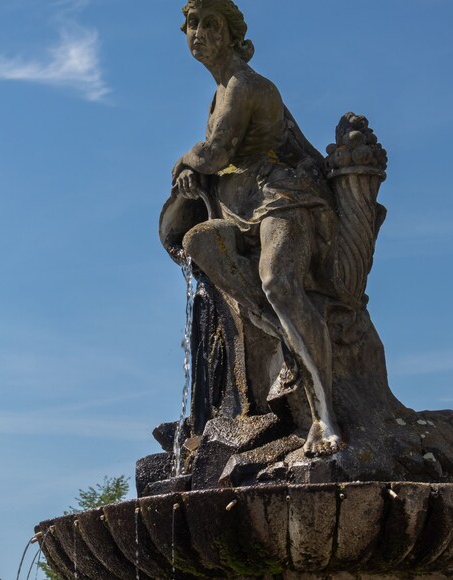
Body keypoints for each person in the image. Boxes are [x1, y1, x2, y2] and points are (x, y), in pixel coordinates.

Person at [166, 0, 342, 457]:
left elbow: (216, 153)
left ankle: (326, 415)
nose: (198, 33)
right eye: (191, 25)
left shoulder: (242, 84)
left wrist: (186, 161)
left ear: (229, 34)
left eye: (209, 24)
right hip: (245, 203)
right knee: (199, 243)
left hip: (286, 198)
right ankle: (288, 338)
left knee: (278, 282)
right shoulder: (223, 88)